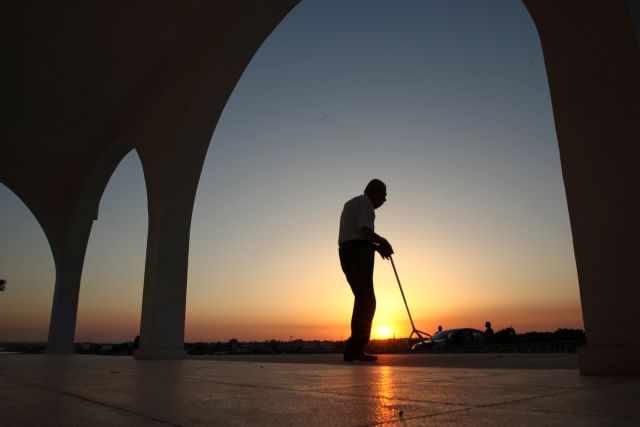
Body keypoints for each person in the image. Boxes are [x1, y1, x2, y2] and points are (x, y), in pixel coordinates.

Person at [338, 179, 394, 362]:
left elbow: (356, 236)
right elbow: (364, 233)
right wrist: (383, 241)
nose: (385, 200)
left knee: (363, 298)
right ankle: (355, 348)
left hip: (351, 251)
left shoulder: (353, 203)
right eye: (383, 195)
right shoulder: (365, 204)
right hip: (356, 253)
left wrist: (376, 248)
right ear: (374, 191)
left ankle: (355, 349)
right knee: (367, 299)